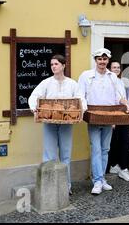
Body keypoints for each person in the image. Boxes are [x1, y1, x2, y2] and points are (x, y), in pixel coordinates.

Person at [28, 55, 86, 195]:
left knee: (66, 155)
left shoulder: (72, 84)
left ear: (63, 65)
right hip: (49, 122)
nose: (53, 66)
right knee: (49, 155)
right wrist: (34, 108)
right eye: (52, 64)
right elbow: (34, 96)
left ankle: (66, 186)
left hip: (66, 123)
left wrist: (82, 110)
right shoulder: (46, 83)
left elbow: (81, 99)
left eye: (56, 64)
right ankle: (49, 187)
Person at [78, 48, 129, 195]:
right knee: (96, 149)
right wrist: (84, 108)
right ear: (95, 60)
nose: (102, 61)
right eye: (99, 59)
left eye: (104, 59)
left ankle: (102, 179)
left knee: (105, 150)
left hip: (109, 117)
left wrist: (125, 102)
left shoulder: (112, 77)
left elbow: (118, 96)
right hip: (93, 117)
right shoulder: (86, 76)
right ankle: (97, 181)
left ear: (108, 60)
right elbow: (80, 95)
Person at [107, 61, 129, 182]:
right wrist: (111, 120)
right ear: (110, 69)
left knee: (124, 141)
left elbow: (124, 98)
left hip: (123, 114)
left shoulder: (122, 81)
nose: (116, 69)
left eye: (118, 67)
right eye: (114, 67)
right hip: (112, 115)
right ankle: (113, 166)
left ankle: (123, 168)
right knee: (113, 143)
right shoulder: (107, 81)